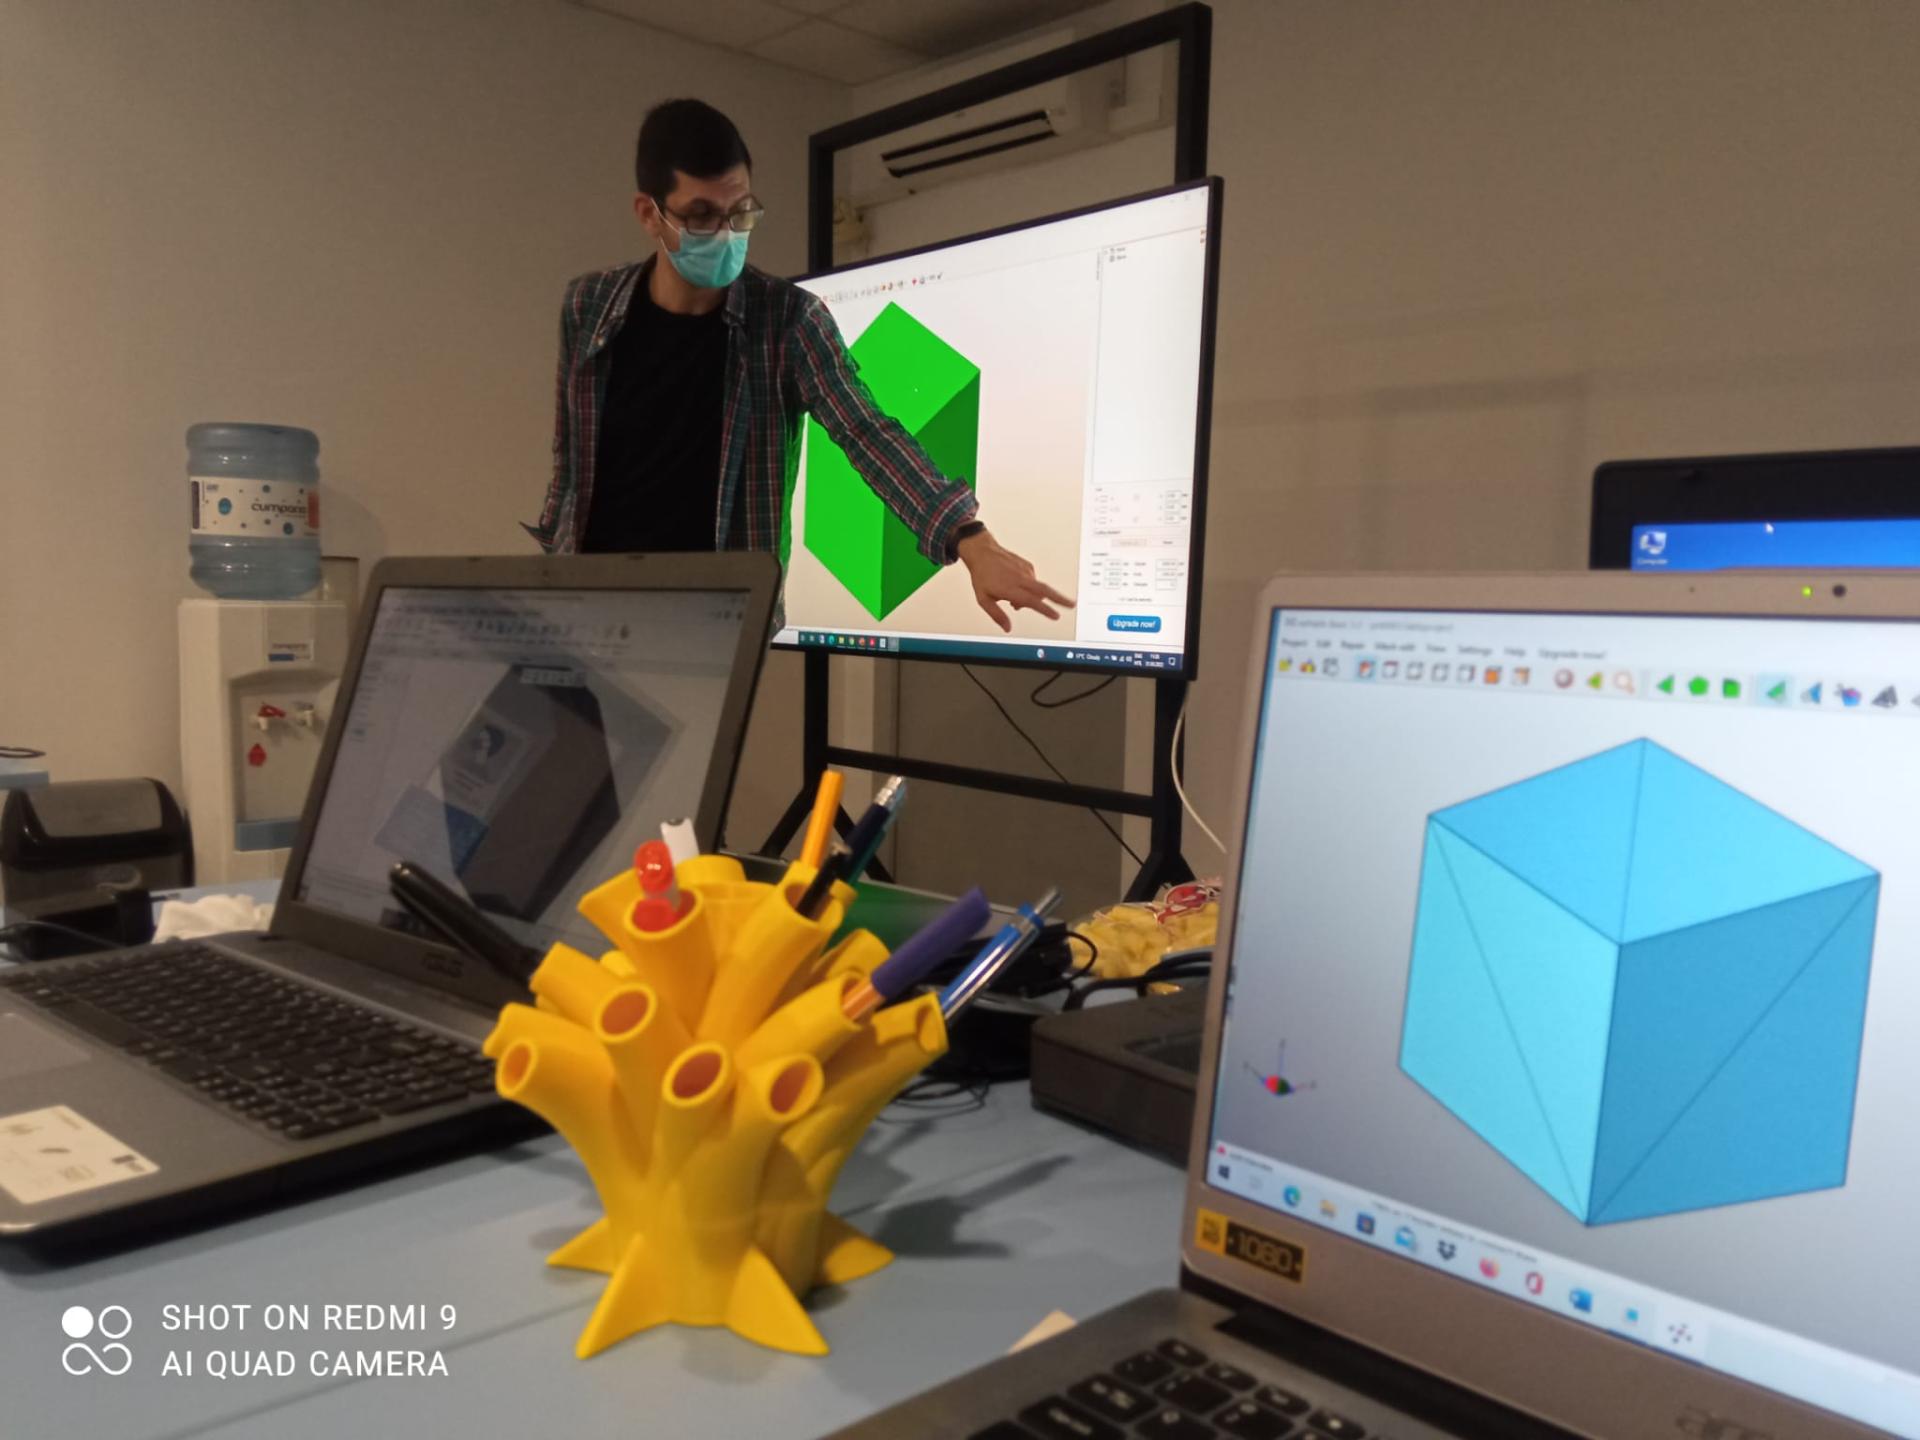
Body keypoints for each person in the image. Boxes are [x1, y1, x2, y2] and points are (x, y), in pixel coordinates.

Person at [526, 98, 1073, 633]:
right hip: (587, 607)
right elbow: (571, 455)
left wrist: (970, 537)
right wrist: (552, 558)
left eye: (741, 212)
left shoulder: (787, 320)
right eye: (701, 216)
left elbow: (866, 431)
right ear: (650, 214)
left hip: (716, 620)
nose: (727, 233)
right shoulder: (589, 305)